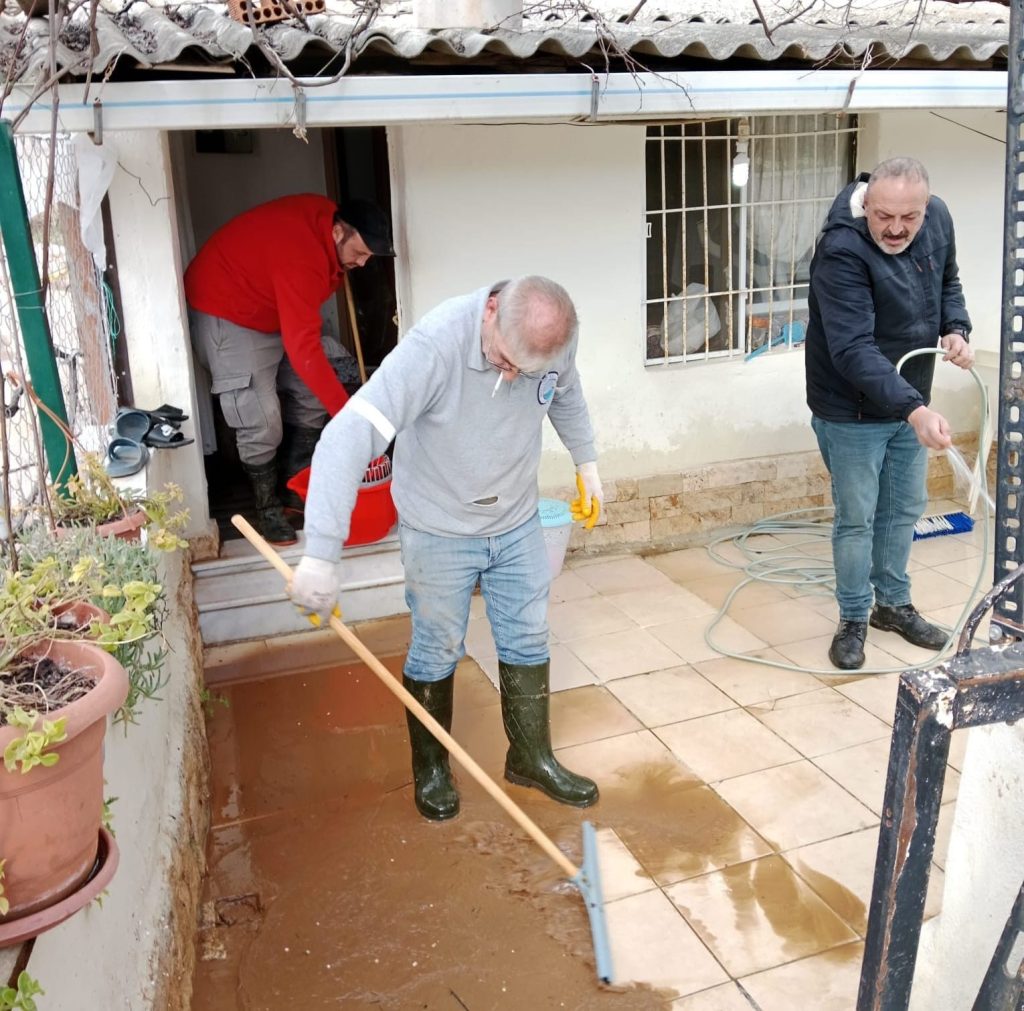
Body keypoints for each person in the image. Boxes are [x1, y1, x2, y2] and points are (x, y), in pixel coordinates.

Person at [287, 275, 604, 820]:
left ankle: (530, 758)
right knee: (437, 645)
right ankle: (432, 770)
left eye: (524, 371)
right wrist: (321, 552)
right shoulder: (434, 347)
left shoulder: (555, 339)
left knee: (529, 635)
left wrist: (587, 461)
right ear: (490, 310)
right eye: (504, 361)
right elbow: (346, 437)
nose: (511, 375)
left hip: (516, 518)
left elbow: (567, 394)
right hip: (438, 526)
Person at [805, 156, 975, 671]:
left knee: (904, 508)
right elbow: (852, 349)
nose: (896, 229)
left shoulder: (938, 218)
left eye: (909, 217)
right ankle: (854, 616)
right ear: (867, 205)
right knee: (857, 517)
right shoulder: (841, 249)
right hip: (850, 407)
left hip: (910, 397)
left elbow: (948, 282)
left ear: (926, 207)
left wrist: (956, 328)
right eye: (884, 217)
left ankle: (893, 606)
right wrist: (914, 410)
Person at [184, 193, 393, 546]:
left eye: (367, 257)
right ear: (338, 232)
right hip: (227, 306)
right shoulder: (302, 257)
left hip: (270, 306)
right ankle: (266, 507)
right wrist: (348, 415)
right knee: (261, 416)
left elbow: (303, 340)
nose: (361, 263)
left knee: (313, 393)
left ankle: (295, 485)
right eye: (359, 253)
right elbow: (303, 348)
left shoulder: (330, 227)